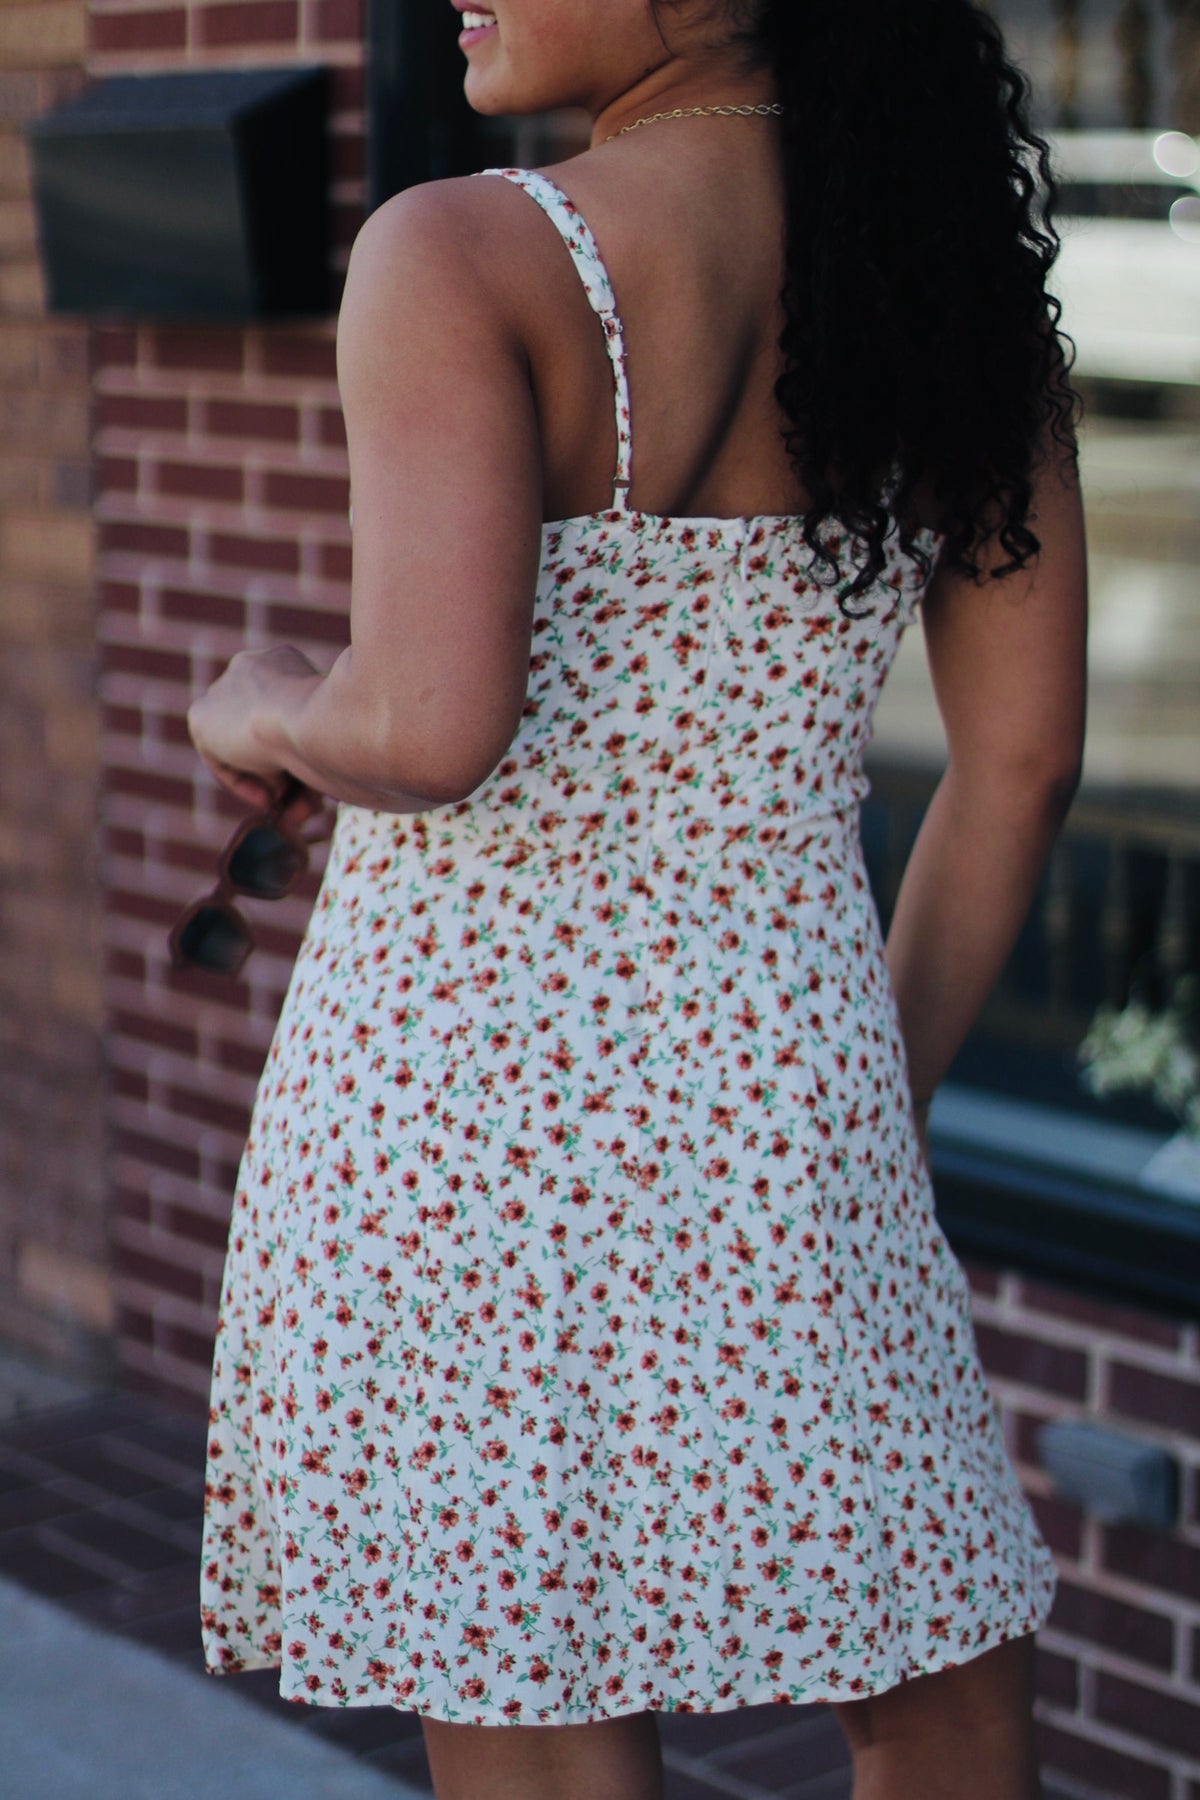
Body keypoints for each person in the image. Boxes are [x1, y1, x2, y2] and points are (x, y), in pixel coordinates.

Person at [188, 0, 1087, 1796]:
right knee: (934, 1676)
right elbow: (1023, 766)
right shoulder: (950, 281)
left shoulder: (463, 250)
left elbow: (428, 723)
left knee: (544, 1704)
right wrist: (856, 1108)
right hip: (780, 1079)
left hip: (457, 1114)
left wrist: (264, 695)